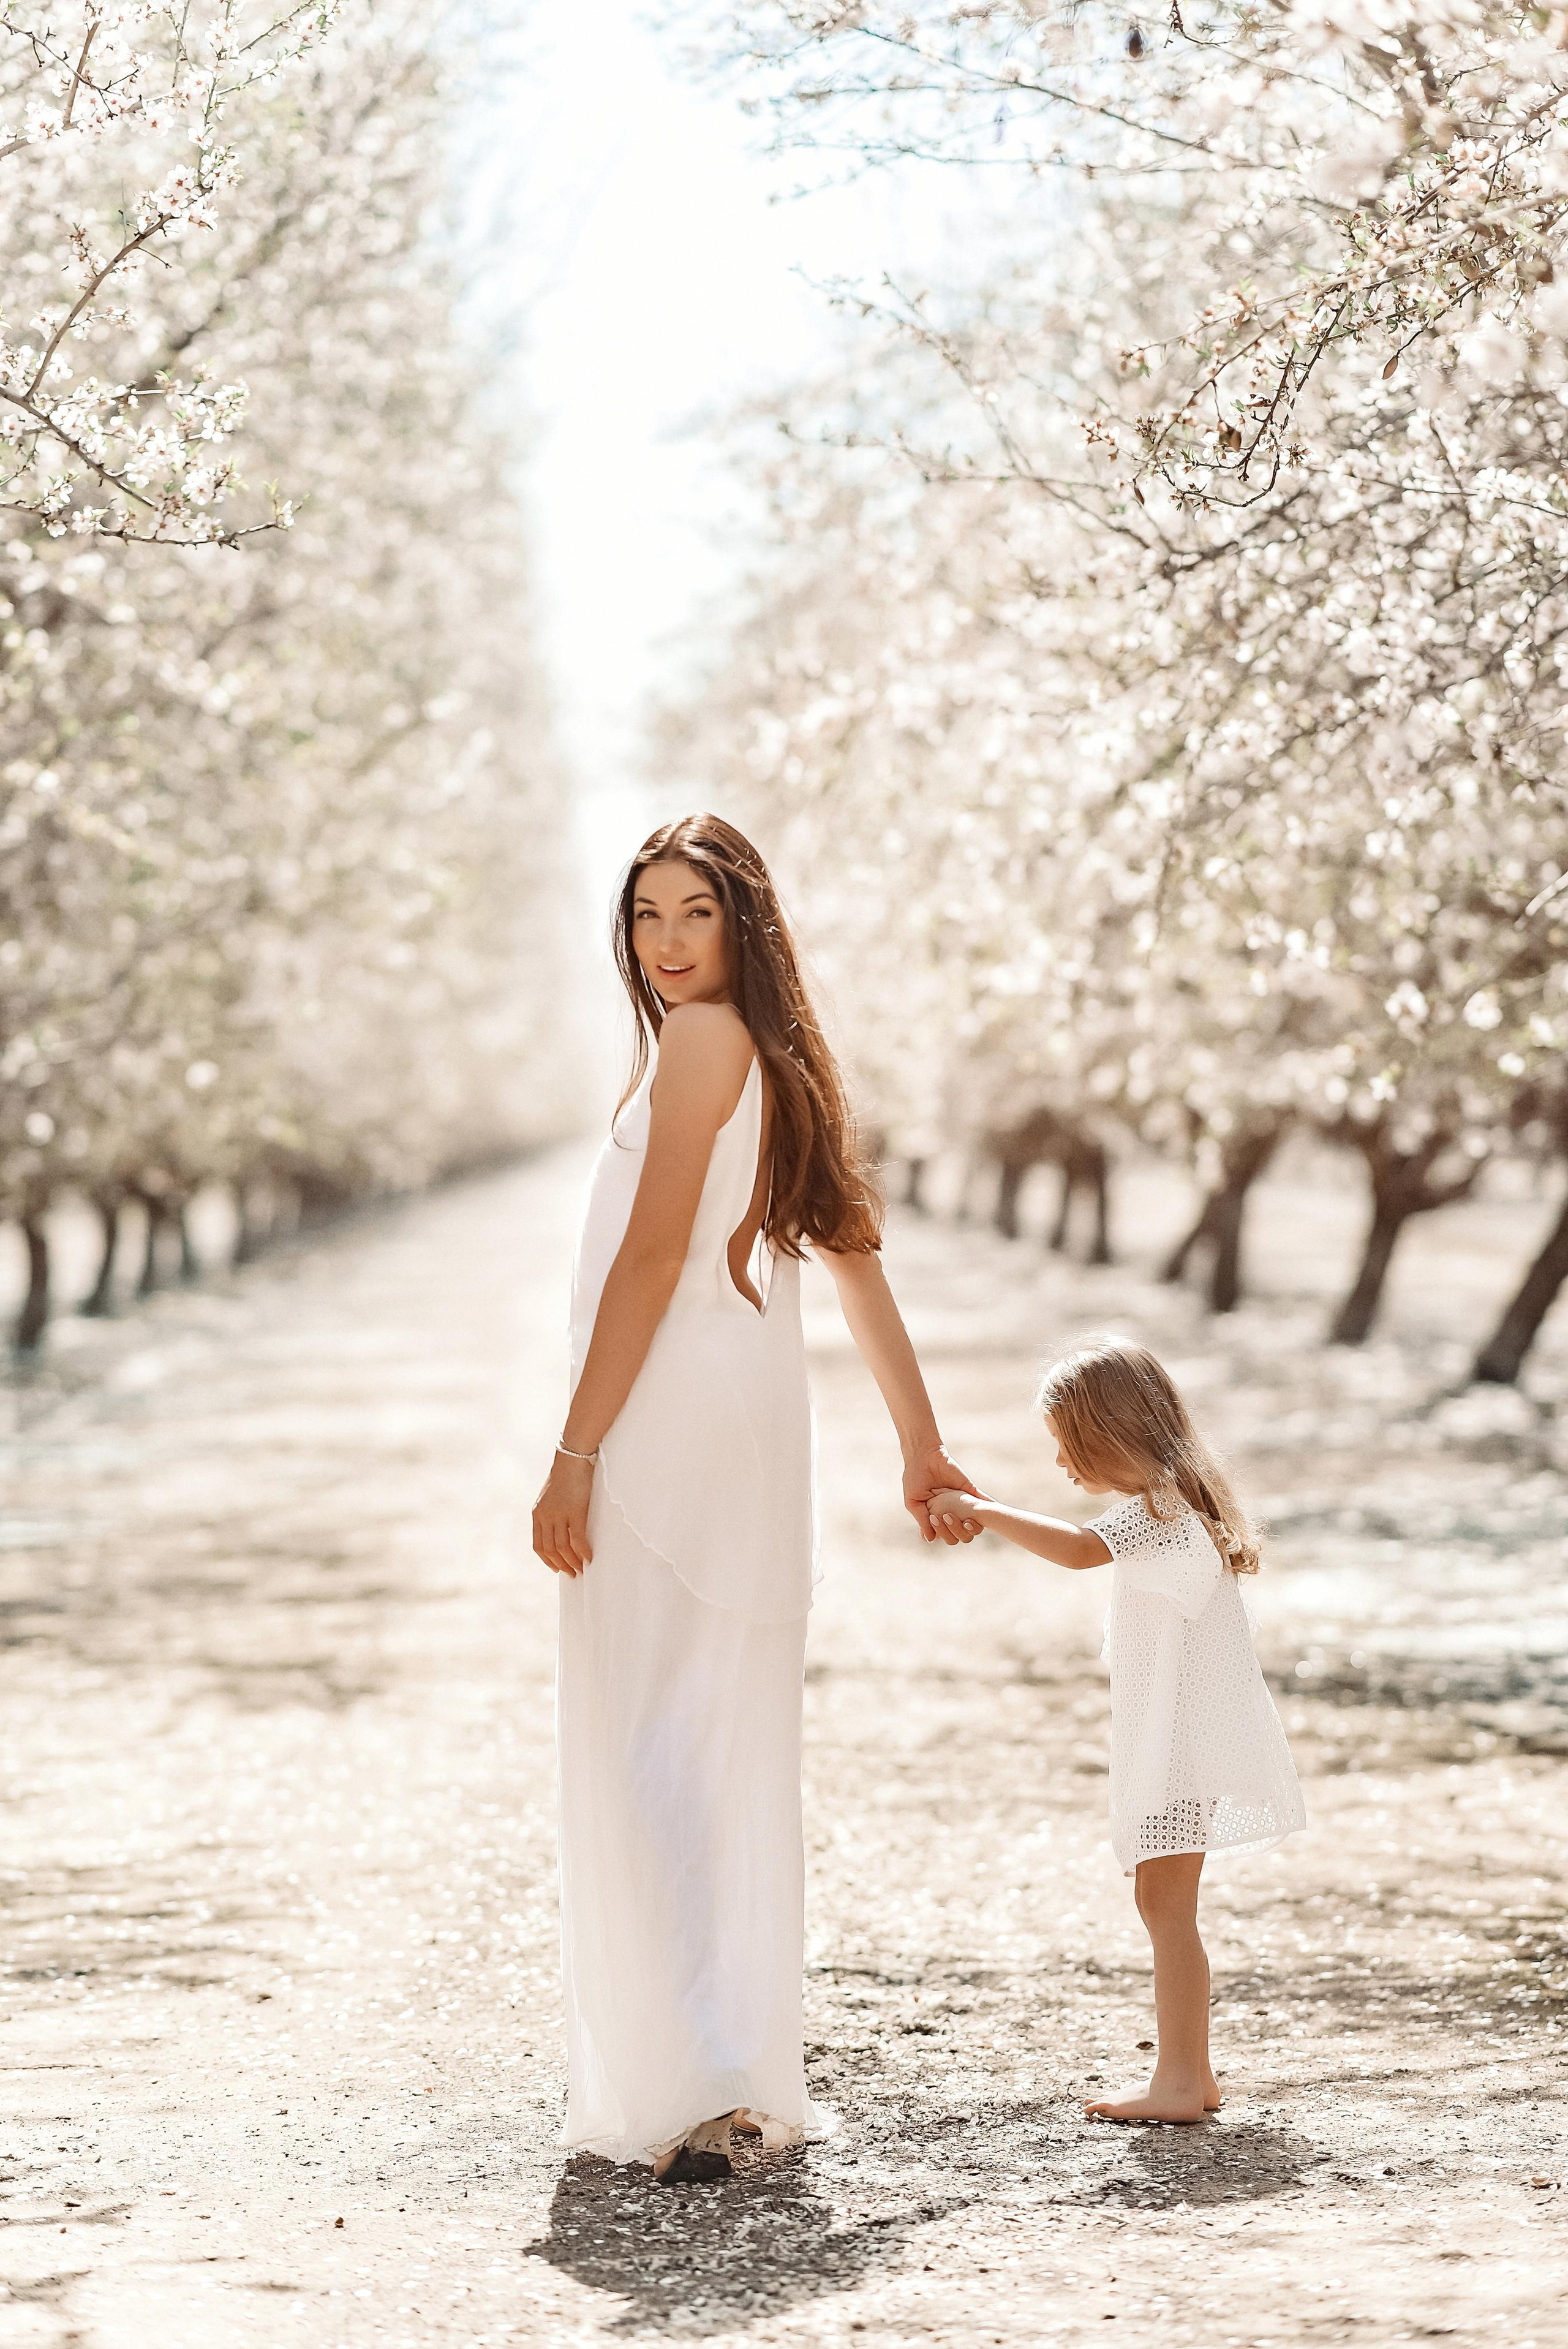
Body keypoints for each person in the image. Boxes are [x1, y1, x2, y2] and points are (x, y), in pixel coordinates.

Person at [532, 814, 978, 2183]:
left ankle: (684, 2086)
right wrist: (920, 1445)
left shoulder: (704, 1042)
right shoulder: (776, 1056)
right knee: (708, 1738)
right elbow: (856, 1263)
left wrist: (574, 1450)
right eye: (646, 917)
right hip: (743, 1429)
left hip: (669, 1428)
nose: (667, 945)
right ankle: (719, 2071)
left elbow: (655, 1253)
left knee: (645, 1744)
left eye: (695, 916)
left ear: (743, 926)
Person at [929, 1334, 1305, 2125]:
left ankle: (1175, 2081)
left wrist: (981, 1507)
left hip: (1178, 1747)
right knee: (1166, 1901)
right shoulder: (1182, 1501)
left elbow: (1074, 1549)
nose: (1063, 1465)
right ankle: (1193, 2073)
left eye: (1068, 1446)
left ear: (1110, 1433)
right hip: (1181, 1739)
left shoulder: (1158, 1510)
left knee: (1165, 1906)